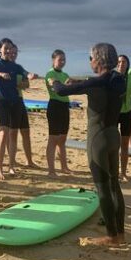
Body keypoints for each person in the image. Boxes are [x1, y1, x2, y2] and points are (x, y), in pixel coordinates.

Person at [52, 43, 126, 246]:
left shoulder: (96, 83)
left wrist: (53, 81)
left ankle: (111, 237)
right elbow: (94, 84)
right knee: (114, 186)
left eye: (90, 58)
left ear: (99, 60)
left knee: (102, 187)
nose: (89, 61)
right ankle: (120, 233)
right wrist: (80, 82)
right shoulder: (119, 79)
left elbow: (61, 90)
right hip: (113, 135)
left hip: (98, 139)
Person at [0, 38, 27, 180]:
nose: (8, 51)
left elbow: (26, 80)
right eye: (5, 48)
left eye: (10, 48)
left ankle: (12, 167)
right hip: (2, 102)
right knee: (3, 134)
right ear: (0, 49)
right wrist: (0, 74)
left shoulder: (16, 67)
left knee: (13, 134)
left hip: (16, 102)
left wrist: (25, 83)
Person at [44, 49, 72, 177]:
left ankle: (64, 167)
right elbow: (57, 88)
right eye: (60, 59)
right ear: (53, 60)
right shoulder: (50, 74)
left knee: (62, 139)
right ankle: (51, 170)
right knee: (53, 139)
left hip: (65, 106)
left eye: (64, 60)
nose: (62, 62)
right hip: (54, 106)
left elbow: (69, 87)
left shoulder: (65, 75)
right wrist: (64, 85)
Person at [9, 44, 38, 167]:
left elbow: (26, 84)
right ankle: (12, 161)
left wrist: (24, 82)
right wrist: (18, 84)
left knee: (26, 132)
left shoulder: (19, 67)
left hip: (20, 101)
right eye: (12, 52)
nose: (14, 55)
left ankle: (29, 160)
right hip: (10, 102)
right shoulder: (4, 68)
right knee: (13, 133)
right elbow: (8, 85)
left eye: (16, 53)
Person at [116, 55, 131, 181]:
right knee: (114, 144)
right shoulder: (112, 77)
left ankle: (124, 172)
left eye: (124, 62)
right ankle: (114, 171)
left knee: (125, 144)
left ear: (127, 64)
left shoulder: (130, 77)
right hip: (114, 113)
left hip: (127, 113)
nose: (121, 64)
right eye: (119, 62)